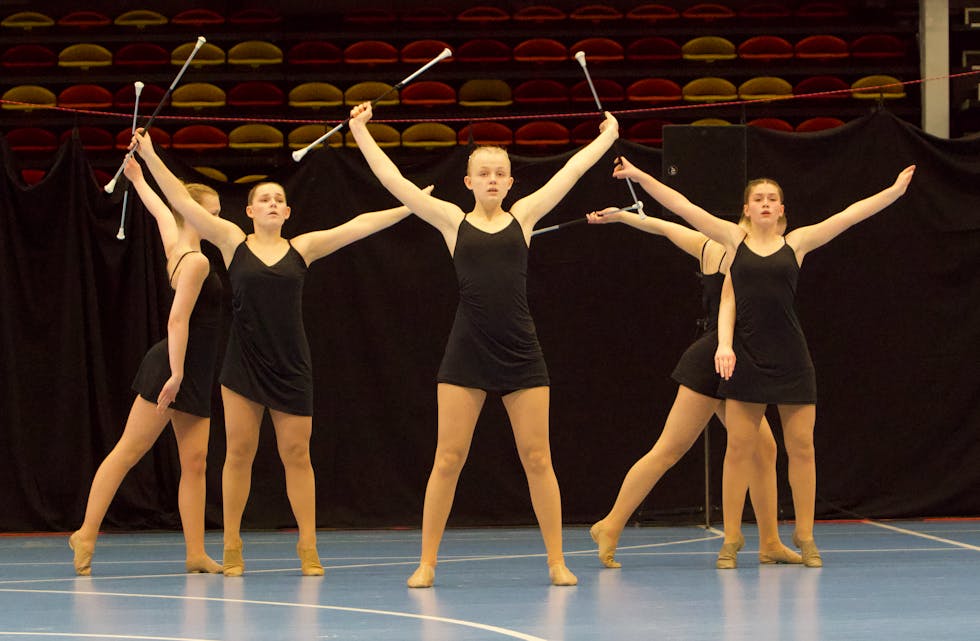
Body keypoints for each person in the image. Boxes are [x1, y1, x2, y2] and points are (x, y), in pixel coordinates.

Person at [130, 128, 428, 577]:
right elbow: (182, 201)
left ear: (287, 212)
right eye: (263, 200)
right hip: (243, 365)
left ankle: (308, 546)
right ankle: (231, 544)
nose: (271, 204)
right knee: (238, 455)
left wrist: (410, 206)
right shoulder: (231, 243)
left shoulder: (303, 248)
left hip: (291, 366)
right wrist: (151, 154)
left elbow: (358, 226)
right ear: (248, 212)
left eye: (278, 200)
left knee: (297, 456)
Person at [348, 102, 620, 587]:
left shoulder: (526, 216)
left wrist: (607, 136)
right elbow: (397, 184)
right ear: (469, 181)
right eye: (483, 173)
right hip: (467, 350)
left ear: (512, 181)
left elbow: (573, 170)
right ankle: (427, 561)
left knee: (538, 458)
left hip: (521, 351)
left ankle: (557, 560)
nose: (493, 179)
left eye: (500, 173)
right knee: (447, 458)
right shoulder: (452, 220)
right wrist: (360, 132)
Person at [612, 157, 915, 568]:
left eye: (773, 198)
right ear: (747, 209)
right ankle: (732, 538)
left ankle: (804, 535)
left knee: (802, 448)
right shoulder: (733, 241)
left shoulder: (799, 243)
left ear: (782, 209)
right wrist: (641, 176)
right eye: (759, 198)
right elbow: (683, 208)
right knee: (739, 449)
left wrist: (894, 192)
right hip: (747, 359)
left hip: (791, 357)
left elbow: (850, 215)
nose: (767, 204)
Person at [585, 202, 801, 569]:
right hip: (711, 359)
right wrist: (622, 217)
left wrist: (624, 217)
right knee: (669, 449)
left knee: (764, 448)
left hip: (739, 361)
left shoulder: (760, 251)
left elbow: (664, 226)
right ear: (741, 221)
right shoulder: (719, 248)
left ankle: (770, 542)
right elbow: (668, 226)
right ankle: (610, 524)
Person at [70, 157, 224, 576]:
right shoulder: (195, 262)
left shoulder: (176, 242)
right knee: (129, 450)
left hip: (196, 368)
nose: (216, 220)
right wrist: (175, 375)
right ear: (191, 214)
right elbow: (178, 321)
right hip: (175, 367)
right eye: (211, 215)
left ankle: (195, 553)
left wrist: (138, 176)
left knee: (195, 463)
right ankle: (85, 533)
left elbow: (159, 208)